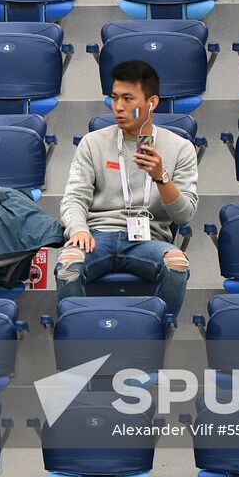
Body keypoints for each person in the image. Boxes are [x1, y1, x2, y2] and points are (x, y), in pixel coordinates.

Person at [56, 59, 199, 318]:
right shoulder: (93, 142)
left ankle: (156, 336)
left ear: (152, 103)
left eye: (128, 99)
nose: (118, 107)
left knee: (177, 264)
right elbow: (74, 197)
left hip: (149, 240)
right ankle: (80, 341)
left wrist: (161, 177)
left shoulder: (180, 148)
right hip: (97, 237)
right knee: (68, 264)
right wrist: (78, 229)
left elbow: (184, 215)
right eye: (114, 98)